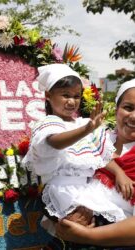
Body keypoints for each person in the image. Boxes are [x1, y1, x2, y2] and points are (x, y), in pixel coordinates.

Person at [22, 64, 132, 235]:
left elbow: (101, 156)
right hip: (62, 189)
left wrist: (119, 173)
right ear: (48, 95)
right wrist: (86, 130)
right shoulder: (48, 124)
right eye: (65, 95)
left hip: (86, 189)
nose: (72, 101)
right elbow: (56, 142)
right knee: (73, 227)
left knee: (103, 221)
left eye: (76, 96)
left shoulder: (81, 123)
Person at [55, 78, 135, 247]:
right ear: (117, 109)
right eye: (128, 108)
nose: (134, 117)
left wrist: (87, 235)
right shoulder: (98, 138)